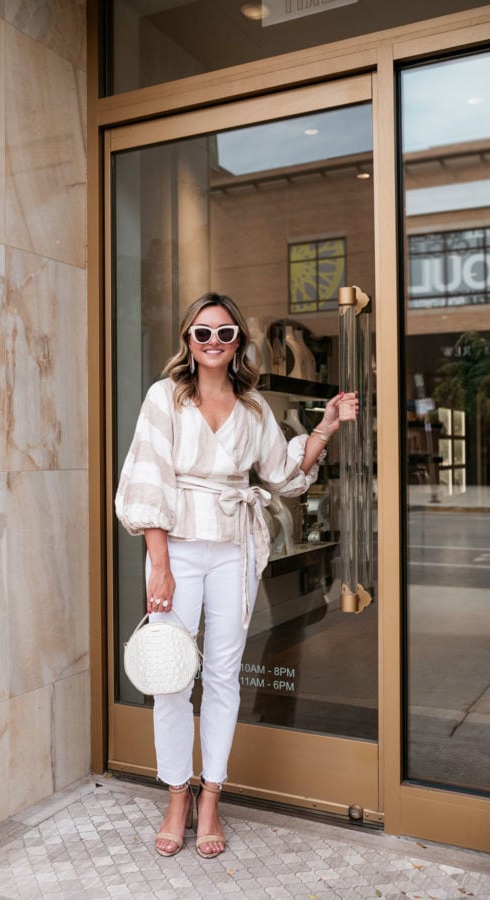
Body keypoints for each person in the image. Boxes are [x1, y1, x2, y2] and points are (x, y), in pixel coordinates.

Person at [115, 292, 358, 859]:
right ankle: (177, 792)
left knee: (223, 675)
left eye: (225, 334)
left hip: (235, 550)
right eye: (203, 334)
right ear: (188, 341)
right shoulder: (164, 399)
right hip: (176, 545)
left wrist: (323, 428)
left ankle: (211, 797)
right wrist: (160, 566)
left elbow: (283, 476)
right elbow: (149, 480)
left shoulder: (254, 410)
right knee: (172, 676)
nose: (214, 344)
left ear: (238, 343)